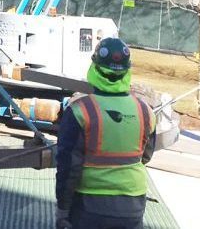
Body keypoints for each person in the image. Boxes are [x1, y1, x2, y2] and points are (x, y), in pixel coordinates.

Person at [55, 37, 157, 229]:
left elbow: (68, 167)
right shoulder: (145, 111)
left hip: (90, 204)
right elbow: (146, 155)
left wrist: (63, 209)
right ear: (127, 72)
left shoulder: (80, 111)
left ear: (94, 69)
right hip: (132, 204)